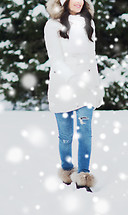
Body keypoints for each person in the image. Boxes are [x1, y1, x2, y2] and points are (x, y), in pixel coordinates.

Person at [44, 0, 104, 192]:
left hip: (86, 86)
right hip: (62, 86)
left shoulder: (89, 23)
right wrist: (72, 79)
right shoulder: (52, 26)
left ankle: (84, 175)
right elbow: (56, 60)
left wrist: (96, 85)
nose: (79, 1)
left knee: (85, 131)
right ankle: (68, 170)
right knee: (66, 136)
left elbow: (91, 59)